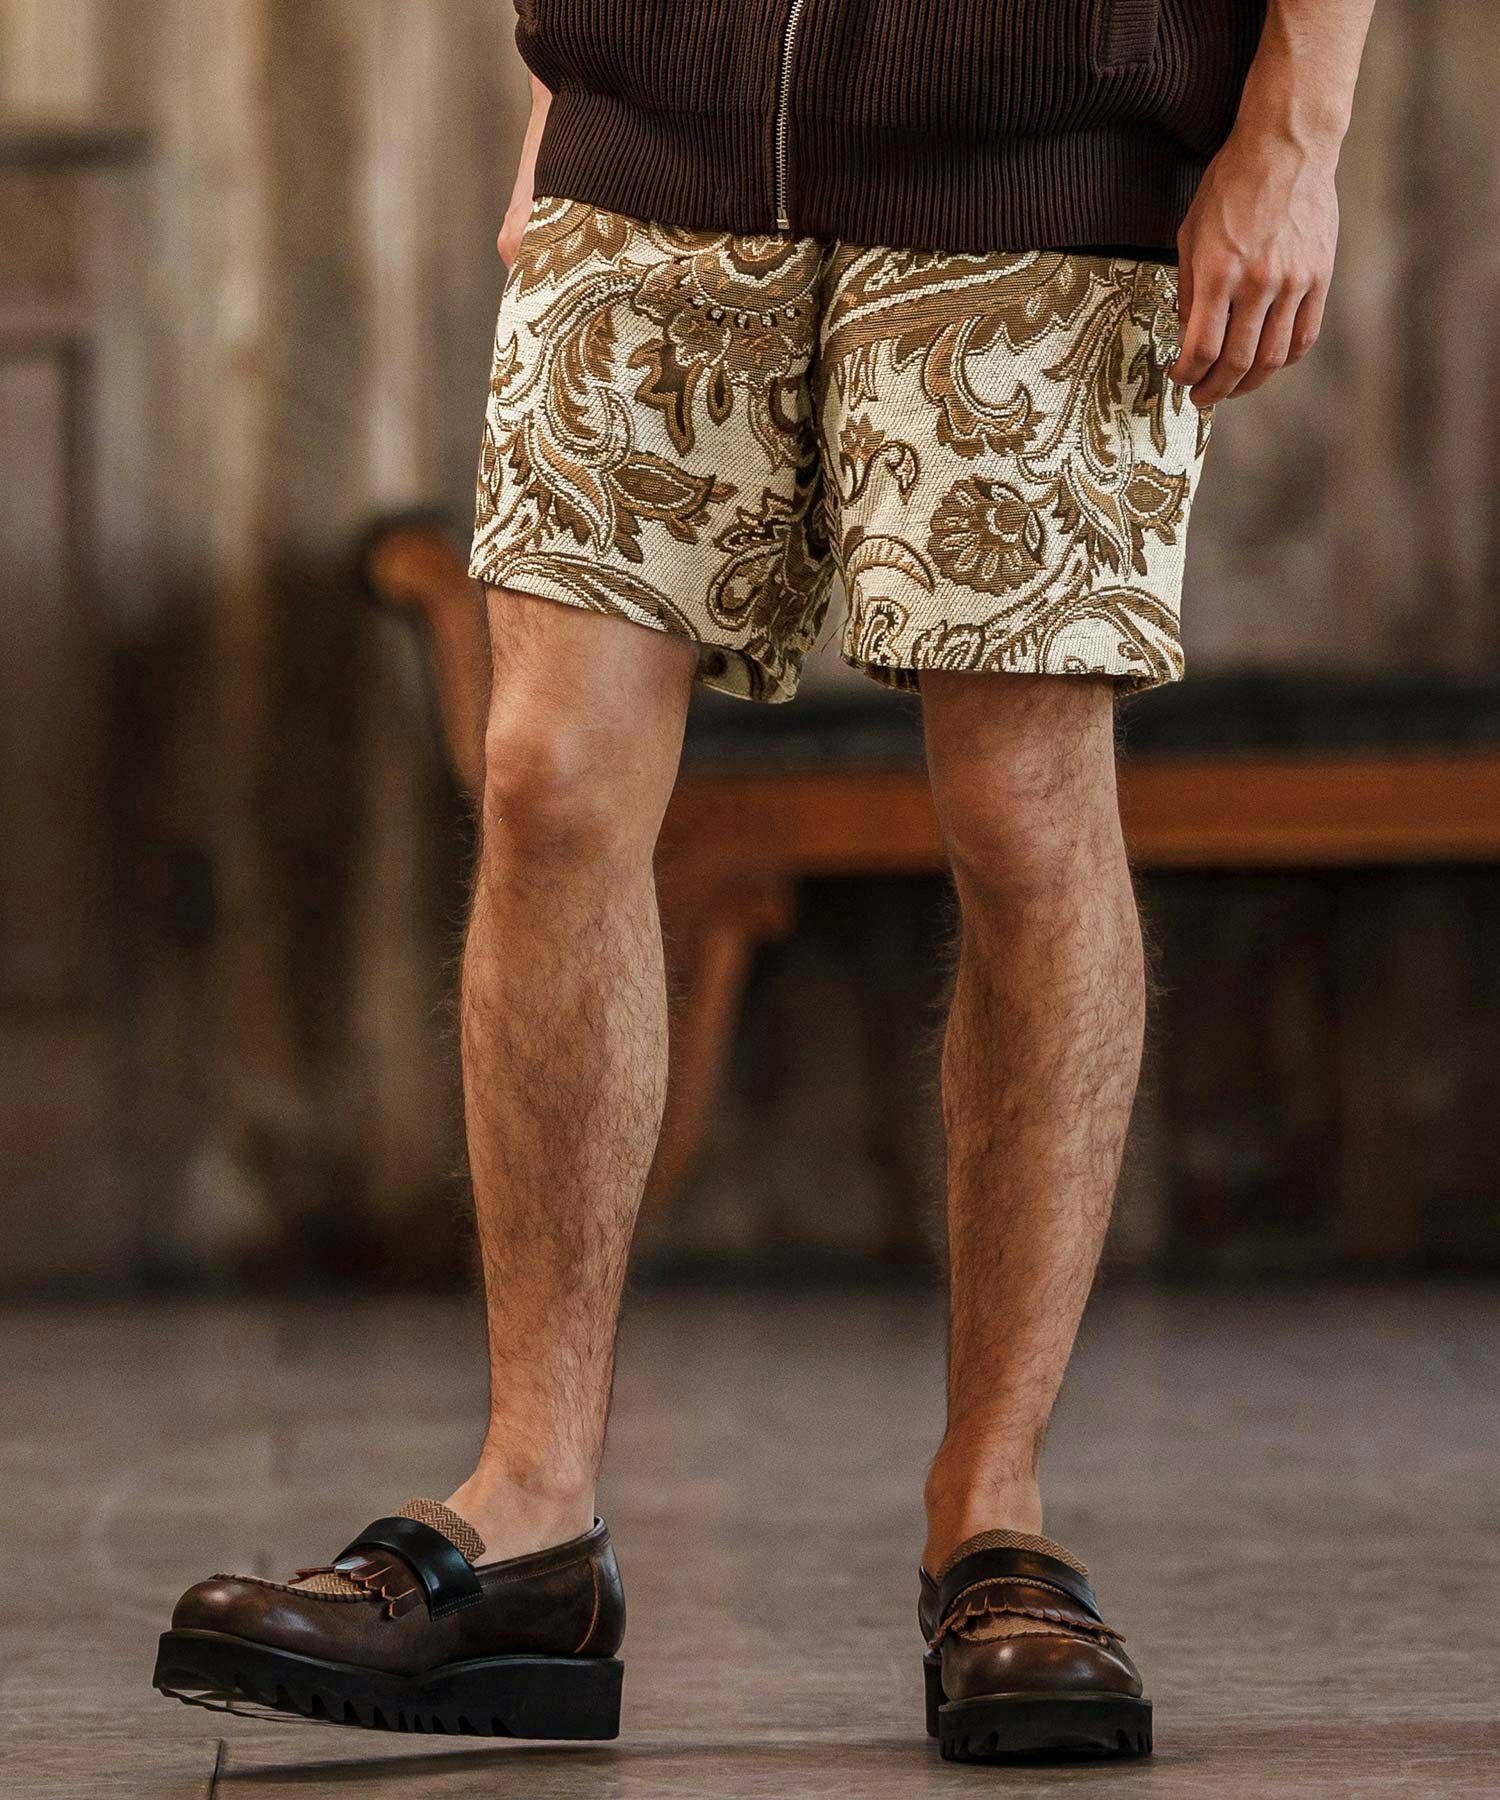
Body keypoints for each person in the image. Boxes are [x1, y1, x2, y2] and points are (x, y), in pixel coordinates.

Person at [154, 0, 1374, 1763]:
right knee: (547, 779)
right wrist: (562, 89)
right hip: (650, 133)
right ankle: (532, 1517)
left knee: (1022, 817)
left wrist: (1298, 127)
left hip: (1037, 153)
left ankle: (994, 1521)